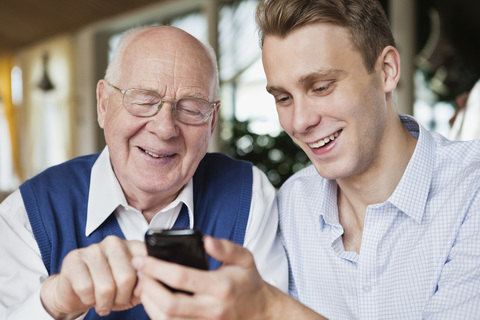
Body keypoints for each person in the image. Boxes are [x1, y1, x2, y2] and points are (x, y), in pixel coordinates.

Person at [131, 0, 480, 319]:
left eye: (321, 87)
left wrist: (269, 308)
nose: (300, 122)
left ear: (387, 70)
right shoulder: (288, 208)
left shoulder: (471, 191)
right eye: (283, 98)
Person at [0, 26, 288, 319]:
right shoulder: (27, 214)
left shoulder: (249, 192)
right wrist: (55, 303)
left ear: (212, 122)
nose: (164, 129)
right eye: (143, 99)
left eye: (191, 107)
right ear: (103, 104)